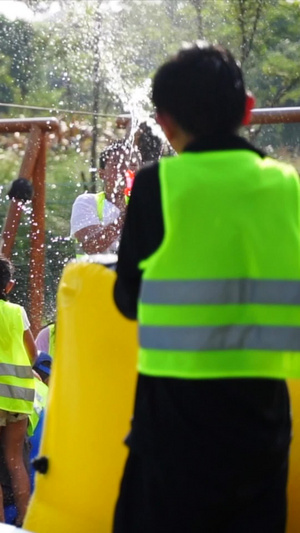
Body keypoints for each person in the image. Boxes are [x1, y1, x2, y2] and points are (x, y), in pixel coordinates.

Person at [113, 42, 300, 532]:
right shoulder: (287, 188)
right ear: (248, 109)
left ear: (165, 121)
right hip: (263, 429)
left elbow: (127, 299)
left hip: (173, 432)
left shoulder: (157, 185)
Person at [0, 254, 37, 526]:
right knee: (15, 460)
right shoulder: (18, 312)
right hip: (20, 395)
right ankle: (26, 520)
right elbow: (33, 354)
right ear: (9, 286)